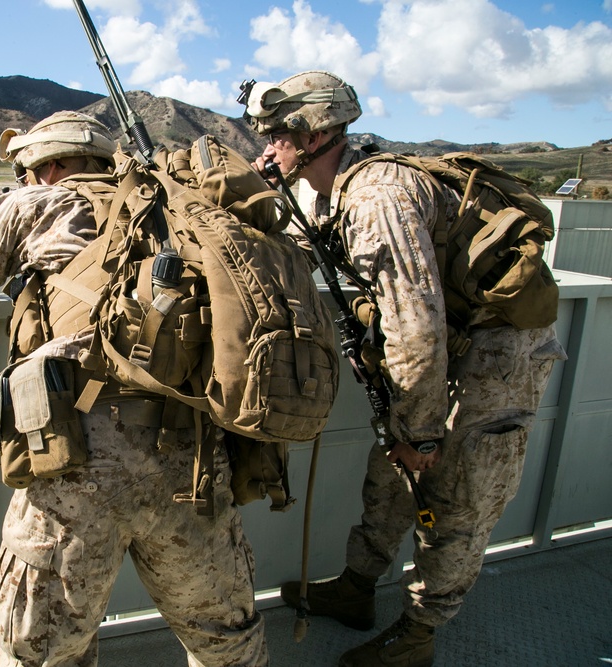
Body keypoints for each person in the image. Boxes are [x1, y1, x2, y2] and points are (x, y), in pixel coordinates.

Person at [0, 110, 267, 667]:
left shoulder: (34, 203)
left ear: (47, 166)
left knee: (46, 653)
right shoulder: (174, 205)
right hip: (190, 455)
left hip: (75, 461)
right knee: (226, 640)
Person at [240, 71, 566, 667]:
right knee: (391, 470)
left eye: (279, 133)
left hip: (495, 356)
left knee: (458, 493)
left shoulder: (376, 198)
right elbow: (294, 240)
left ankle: (421, 633)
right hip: (443, 348)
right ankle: (357, 588)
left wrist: (419, 431)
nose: (267, 144)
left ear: (314, 134)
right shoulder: (327, 189)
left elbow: (414, 326)